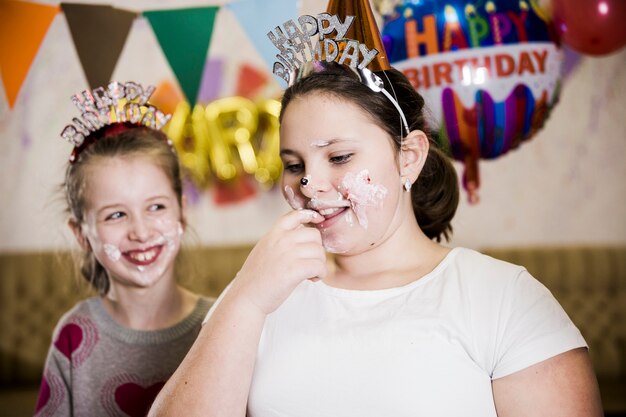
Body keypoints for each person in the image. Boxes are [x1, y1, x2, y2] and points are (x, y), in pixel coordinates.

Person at [150, 43, 603, 417]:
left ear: (408, 157)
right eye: (293, 165)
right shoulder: (259, 295)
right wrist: (246, 299)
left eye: (339, 157)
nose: (309, 183)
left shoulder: (503, 298)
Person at [34, 84, 213, 417]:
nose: (141, 232)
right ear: (82, 234)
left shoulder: (219, 326)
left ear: (182, 212)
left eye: (156, 207)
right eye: (116, 214)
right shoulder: (74, 336)